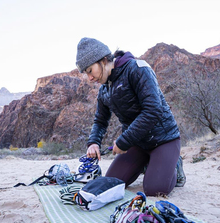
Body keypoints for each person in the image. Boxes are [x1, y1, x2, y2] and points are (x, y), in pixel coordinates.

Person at [76, 37, 186, 196]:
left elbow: (153, 110)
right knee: (111, 181)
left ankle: (174, 166)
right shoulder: (104, 90)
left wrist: (123, 141)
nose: (90, 78)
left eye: (90, 71)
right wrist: (93, 142)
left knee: (155, 190)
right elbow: (100, 121)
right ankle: (149, 163)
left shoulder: (137, 69)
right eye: (86, 74)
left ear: (103, 60)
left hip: (164, 139)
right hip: (137, 143)